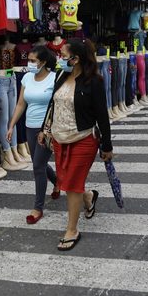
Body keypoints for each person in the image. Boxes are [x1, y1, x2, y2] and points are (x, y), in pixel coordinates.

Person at [39, 39, 113, 251]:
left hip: (83, 139)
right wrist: (45, 130)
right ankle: (88, 197)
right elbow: (53, 104)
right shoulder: (62, 76)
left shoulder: (94, 81)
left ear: (76, 59)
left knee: (71, 184)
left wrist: (107, 146)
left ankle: (72, 230)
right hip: (60, 140)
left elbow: (102, 116)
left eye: (62, 55)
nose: (59, 59)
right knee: (65, 181)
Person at [6, 46, 59, 224]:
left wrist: (49, 129)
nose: (29, 64)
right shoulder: (28, 77)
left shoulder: (54, 78)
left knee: (37, 166)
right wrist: (11, 125)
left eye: (33, 61)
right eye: (28, 60)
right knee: (39, 162)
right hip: (30, 126)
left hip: (47, 129)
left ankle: (38, 208)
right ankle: (58, 183)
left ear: (43, 62)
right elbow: (21, 104)